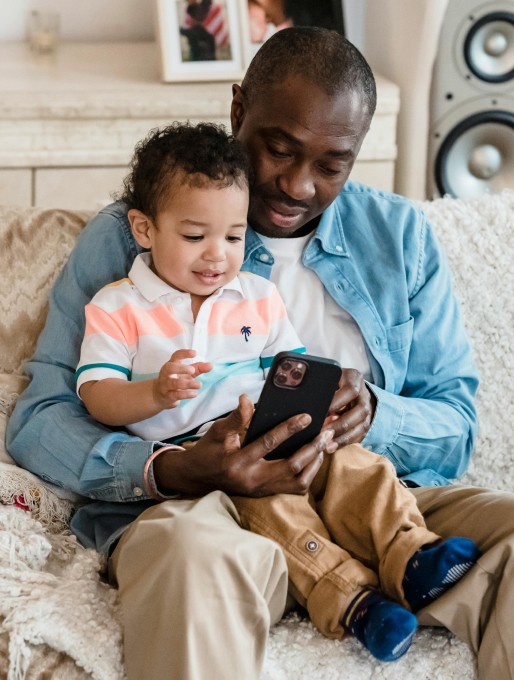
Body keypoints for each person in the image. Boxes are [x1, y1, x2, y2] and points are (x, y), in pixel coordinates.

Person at [6, 26, 514, 680]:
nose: (296, 185)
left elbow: (455, 424)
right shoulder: (141, 230)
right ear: (237, 113)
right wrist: (175, 468)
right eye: (277, 150)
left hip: (362, 503)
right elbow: (40, 419)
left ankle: (386, 578)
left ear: (356, 152)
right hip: (205, 514)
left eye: (330, 165)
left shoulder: (399, 237)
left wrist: (375, 412)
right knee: (193, 552)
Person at [75, 120, 480, 663]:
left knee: (361, 468)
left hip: (273, 428)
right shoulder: (118, 306)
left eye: (235, 237)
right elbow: (96, 394)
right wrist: (154, 393)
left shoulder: (256, 296)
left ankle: (412, 553)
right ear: (145, 230)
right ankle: (353, 602)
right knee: (277, 513)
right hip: (204, 454)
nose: (217, 256)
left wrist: (322, 402)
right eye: (195, 237)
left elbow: (290, 368)